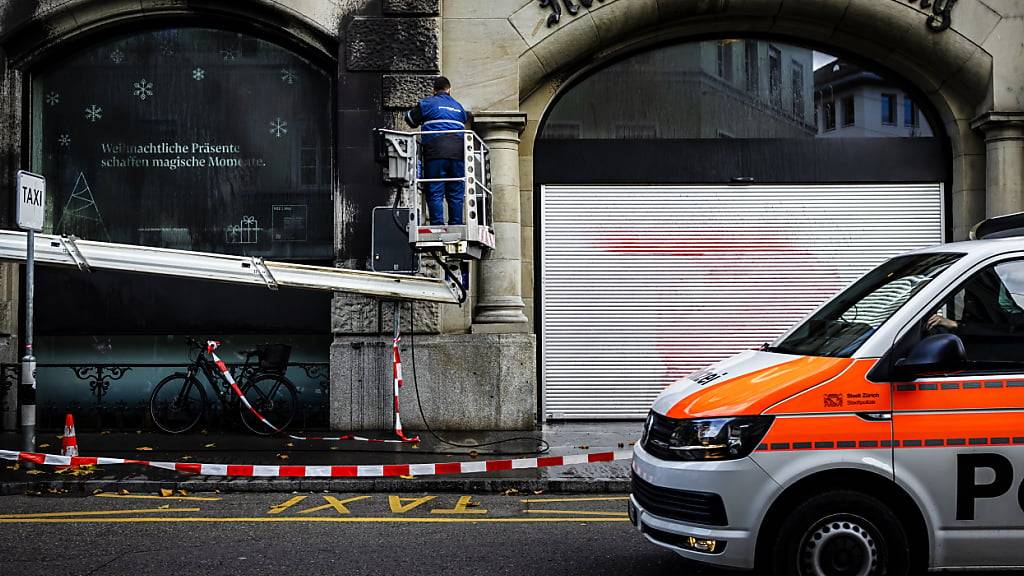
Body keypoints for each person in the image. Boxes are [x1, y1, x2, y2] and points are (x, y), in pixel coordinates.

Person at [404, 76, 470, 226]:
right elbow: (464, 118)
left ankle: (437, 225)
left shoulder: (427, 103)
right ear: (449, 90)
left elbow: (409, 119)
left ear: (433, 90)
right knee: (456, 192)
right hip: (458, 154)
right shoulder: (459, 107)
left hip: (435, 152)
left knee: (435, 190)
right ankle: (456, 224)